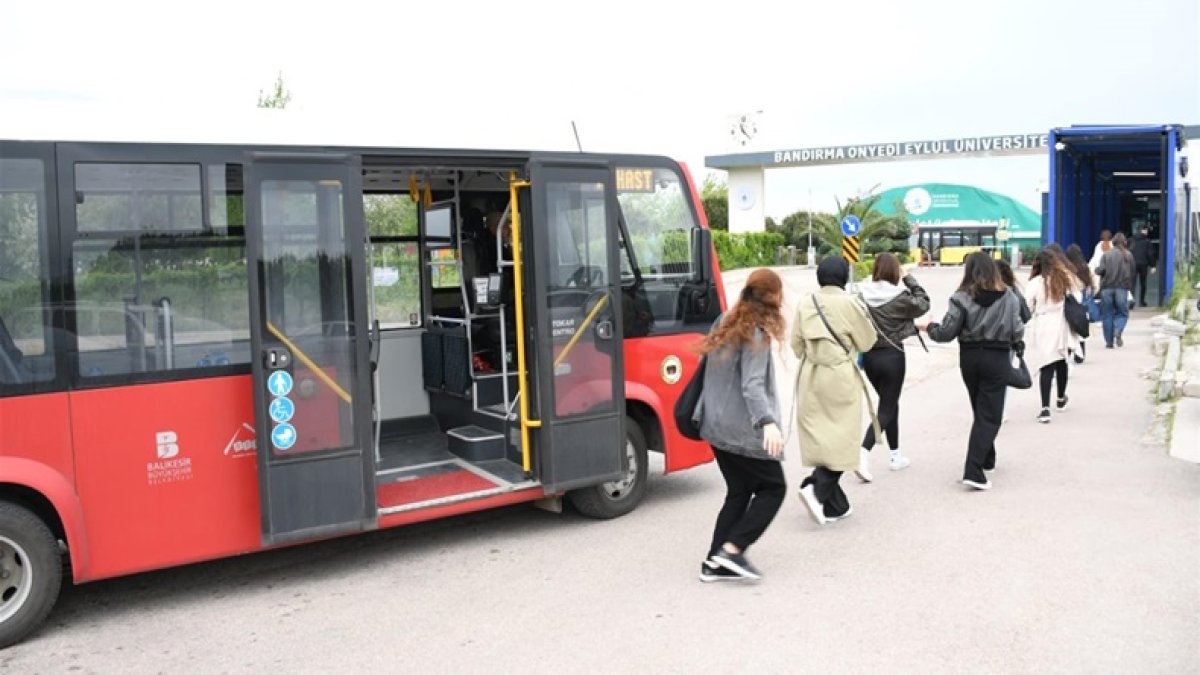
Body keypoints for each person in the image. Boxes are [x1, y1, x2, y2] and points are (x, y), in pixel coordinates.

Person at [694, 269, 786, 582]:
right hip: (739, 429)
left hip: (714, 425)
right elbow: (752, 385)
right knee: (774, 487)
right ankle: (732, 550)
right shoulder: (755, 333)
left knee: (739, 491)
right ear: (773, 299)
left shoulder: (724, 320)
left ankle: (713, 563)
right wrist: (767, 422)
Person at [918, 252, 1024, 490]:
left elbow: (946, 333)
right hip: (997, 356)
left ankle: (987, 457)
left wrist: (930, 327)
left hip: (970, 357)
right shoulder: (1009, 296)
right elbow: (1018, 330)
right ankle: (973, 470)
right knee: (991, 414)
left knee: (980, 407)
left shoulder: (960, 297)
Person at [791, 258, 877, 523]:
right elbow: (868, 340)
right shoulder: (850, 303)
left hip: (811, 374)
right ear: (843, 277)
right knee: (844, 437)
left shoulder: (805, 302)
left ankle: (835, 505)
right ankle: (815, 488)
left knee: (821, 435)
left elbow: (796, 345)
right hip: (839, 374)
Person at [855, 253, 930, 480]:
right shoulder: (900, 297)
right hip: (892, 356)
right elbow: (924, 303)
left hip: (869, 357)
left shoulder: (861, 293)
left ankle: (896, 455)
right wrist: (909, 279)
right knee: (887, 407)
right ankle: (863, 452)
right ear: (895, 271)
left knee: (889, 404)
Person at [1025, 249, 1080, 423]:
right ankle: (1061, 398)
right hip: (1061, 323)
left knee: (1046, 365)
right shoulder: (1065, 279)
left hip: (1043, 324)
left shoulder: (1035, 283)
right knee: (1061, 361)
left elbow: (1027, 305)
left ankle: (1045, 408)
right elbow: (1077, 297)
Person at [1096, 233, 1136, 348]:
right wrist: (1130, 287)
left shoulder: (1106, 255)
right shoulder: (1128, 256)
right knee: (1123, 313)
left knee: (1107, 314)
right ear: (1125, 243)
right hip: (1122, 289)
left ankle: (1109, 342)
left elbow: (1101, 270)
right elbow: (1133, 272)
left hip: (1106, 289)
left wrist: (1096, 270)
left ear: (1112, 243)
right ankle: (1118, 330)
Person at [1065, 244, 1097, 363]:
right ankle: (1080, 354)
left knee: (1070, 327)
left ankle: (1070, 351)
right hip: (1083, 302)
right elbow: (1093, 286)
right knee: (1082, 327)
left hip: (1071, 301)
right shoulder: (1086, 268)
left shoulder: (1067, 270)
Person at [1130, 225, 1157, 307]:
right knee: (1143, 283)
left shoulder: (1131, 240)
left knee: (1132, 284)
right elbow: (1150, 254)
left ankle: (1131, 301)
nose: (1147, 232)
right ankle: (1142, 301)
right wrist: (1153, 265)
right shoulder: (1147, 241)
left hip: (1133, 264)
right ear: (1143, 231)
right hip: (1143, 264)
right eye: (1146, 230)